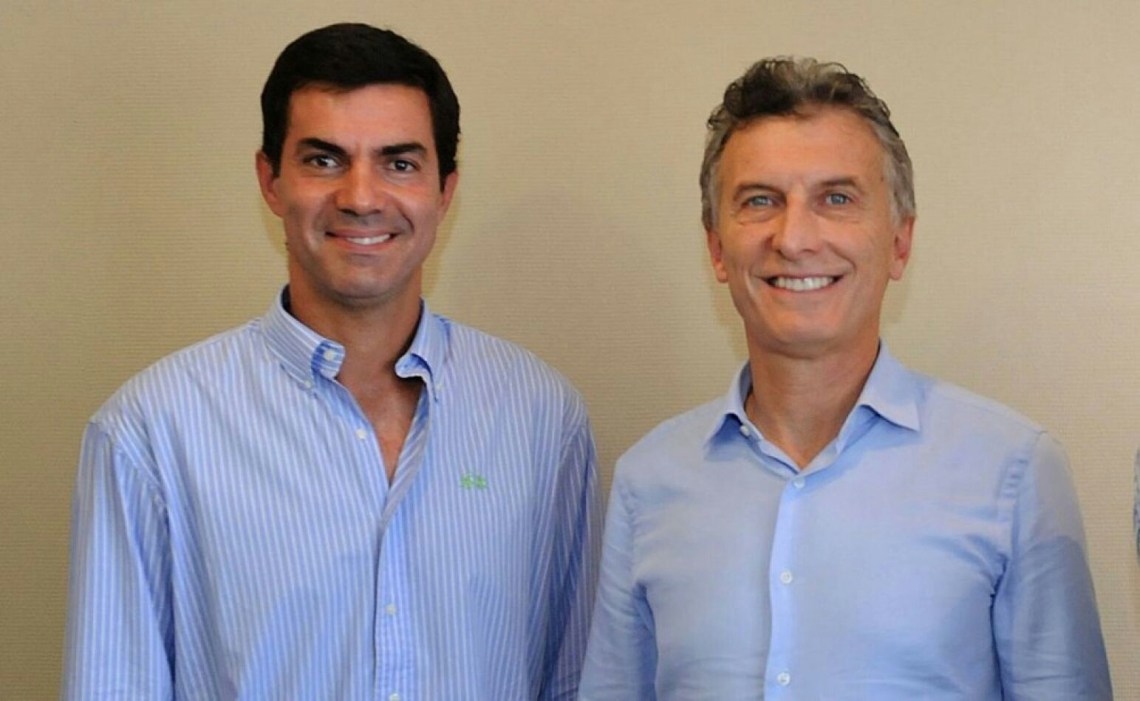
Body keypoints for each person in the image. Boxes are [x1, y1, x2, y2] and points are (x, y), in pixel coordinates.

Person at [63, 23, 599, 699]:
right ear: (270, 181)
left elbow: (575, 682)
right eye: (324, 160)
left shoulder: (543, 419)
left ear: (445, 190)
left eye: (399, 163)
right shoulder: (150, 435)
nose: (361, 197)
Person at [579, 57, 1111, 699]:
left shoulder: (1014, 471)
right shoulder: (648, 481)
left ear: (900, 242)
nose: (794, 238)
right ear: (717, 248)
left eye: (836, 199)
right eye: (760, 201)